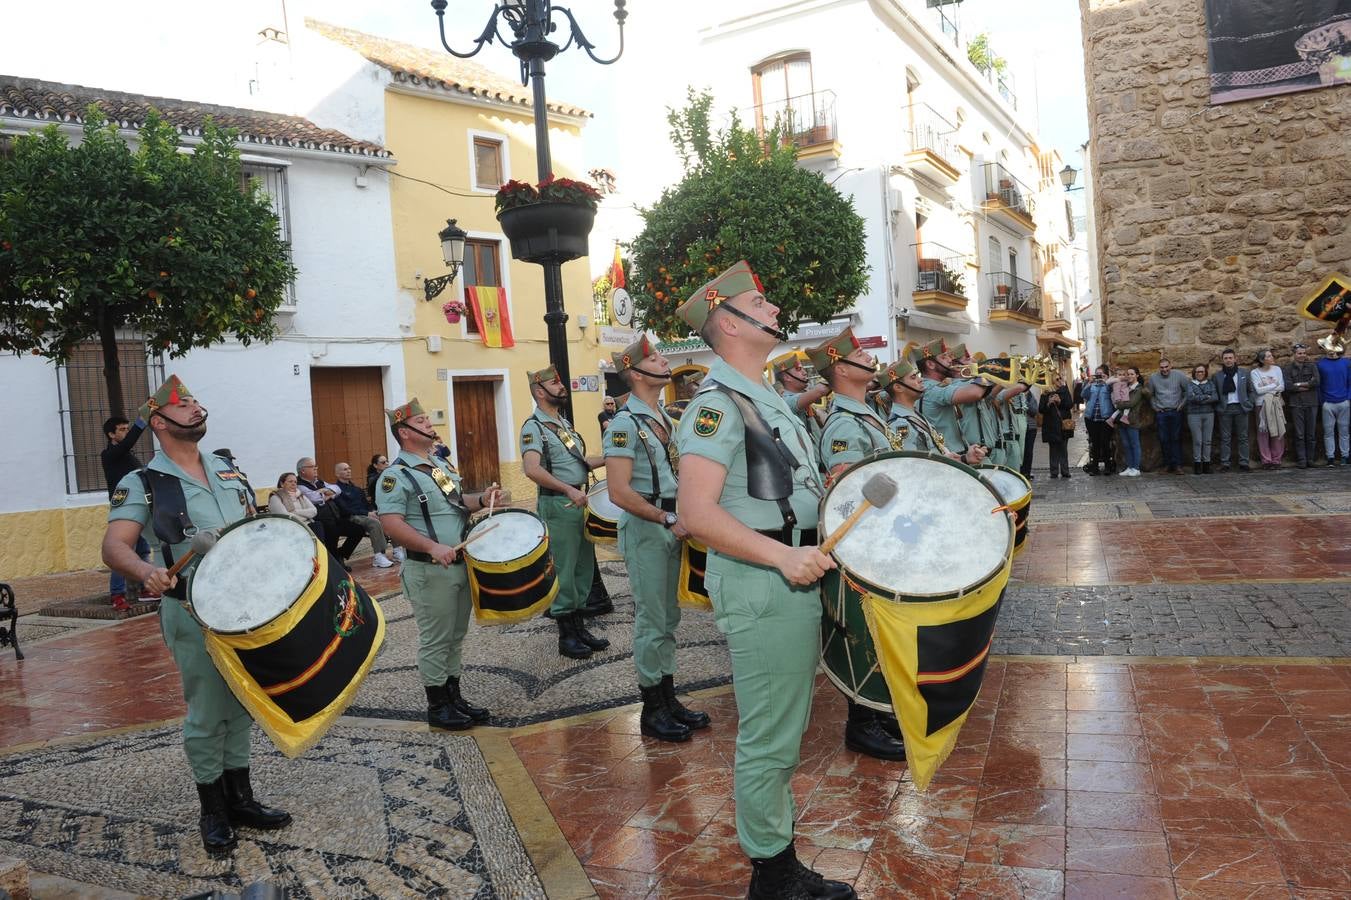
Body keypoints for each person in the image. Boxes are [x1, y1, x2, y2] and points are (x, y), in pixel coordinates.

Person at [674, 261, 856, 900]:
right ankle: (771, 876)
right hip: (764, 582)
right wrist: (781, 557)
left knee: (786, 725)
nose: (775, 308)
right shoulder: (716, 406)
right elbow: (694, 515)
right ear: (728, 322)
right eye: (761, 301)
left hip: (791, 574)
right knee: (771, 735)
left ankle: (776, 859)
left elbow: (774, 489)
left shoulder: (766, 395)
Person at [102, 375, 291, 857]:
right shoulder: (143, 482)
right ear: (159, 422)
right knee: (208, 712)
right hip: (193, 608)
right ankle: (213, 809)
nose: (195, 408)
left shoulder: (228, 469)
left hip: (248, 608)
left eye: (196, 401)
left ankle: (241, 798)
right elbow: (114, 546)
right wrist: (146, 570)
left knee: (242, 703)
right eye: (182, 405)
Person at [376, 398, 507, 730]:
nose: (429, 424)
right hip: (429, 569)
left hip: (459, 563)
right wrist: (432, 546)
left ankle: (454, 697)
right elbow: (390, 524)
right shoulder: (395, 476)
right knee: (436, 638)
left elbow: (456, 503)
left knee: (455, 635)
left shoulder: (438, 465)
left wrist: (482, 499)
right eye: (421, 421)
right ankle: (438, 706)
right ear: (404, 433)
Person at [605, 336, 709, 743]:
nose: (665, 361)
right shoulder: (623, 425)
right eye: (655, 357)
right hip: (649, 526)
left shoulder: (665, 418)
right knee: (652, 620)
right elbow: (618, 491)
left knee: (668, 618)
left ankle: (668, 696)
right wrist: (666, 516)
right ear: (635, 373)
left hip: (672, 522)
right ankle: (652, 708)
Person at [809, 329, 907, 763]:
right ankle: (861, 722)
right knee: (862, 630)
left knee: (881, 628)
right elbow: (847, 491)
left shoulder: (868, 414)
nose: (871, 357)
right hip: (864, 543)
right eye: (860, 355)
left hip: (884, 538)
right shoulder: (845, 422)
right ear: (842, 369)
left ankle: (878, 710)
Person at [520, 366, 610, 659]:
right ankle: (566, 634)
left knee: (583, 568)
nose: (562, 388)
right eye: (554, 384)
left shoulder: (562, 425)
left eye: (560, 383)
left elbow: (580, 462)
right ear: (539, 392)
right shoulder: (534, 427)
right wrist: (568, 489)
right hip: (559, 503)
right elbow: (532, 470)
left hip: (579, 501)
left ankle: (579, 626)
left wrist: (612, 458)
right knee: (564, 569)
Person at [882, 359, 987, 465]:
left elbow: (937, 458)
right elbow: (912, 468)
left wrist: (964, 458)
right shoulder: (901, 424)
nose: (920, 380)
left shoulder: (914, 416)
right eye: (913, 377)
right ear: (898, 387)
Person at [101, 414, 154, 610]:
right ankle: (117, 595)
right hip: (124, 510)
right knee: (123, 551)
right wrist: (144, 418)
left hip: (140, 507)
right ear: (111, 435)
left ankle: (145, 589)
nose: (126, 432)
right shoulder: (110, 454)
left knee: (143, 550)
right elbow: (129, 442)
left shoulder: (128, 455)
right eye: (122, 430)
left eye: (126, 428)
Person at [914, 340, 996, 457]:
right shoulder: (932, 389)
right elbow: (975, 393)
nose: (950, 360)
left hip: (954, 454)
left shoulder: (932, 386)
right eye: (944, 357)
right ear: (930, 364)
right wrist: (988, 371)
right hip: (948, 457)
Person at [296, 458, 366, 567]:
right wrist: (326, 494)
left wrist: (324, 492)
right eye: (312, 467)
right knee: (331, 537)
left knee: (359, 529)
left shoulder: (319, 481)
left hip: (335, 518)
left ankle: (341, 554)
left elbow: (337, 489)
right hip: (321, 521)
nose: (316, 469)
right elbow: (314, 498)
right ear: (302, 471)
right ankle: (336, 565)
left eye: (316, 466)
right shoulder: (300, 485)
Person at [331, 462, 394, 568]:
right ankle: (379, 555)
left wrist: (373, 512)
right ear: (337, 474)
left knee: (388, 518)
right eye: (345, 469)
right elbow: (345, 510)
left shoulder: (356, 489)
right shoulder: (336, 490)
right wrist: (367, 513)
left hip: (365, 515)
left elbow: (366, 504)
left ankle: (396, 550)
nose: (348, 471)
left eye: (349, 468)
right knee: (374, 523)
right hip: (351, 517)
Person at [1210, 348, 1255, 472]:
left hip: (1241, 408)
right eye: (1226, 358)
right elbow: (1215, 393)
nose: (1228, 360)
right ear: (1222, 360)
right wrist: (1218, 407)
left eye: (1230, 358)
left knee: (1243, 437)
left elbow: (1251, 390)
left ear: (1235, 359)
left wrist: (1250, 403)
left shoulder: (1244, 373)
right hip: (1225, 409)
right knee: (1225, 437)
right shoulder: (1217, 376)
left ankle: (1244, 463)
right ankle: (1225, 463)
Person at [1147, 358, 1188, 474]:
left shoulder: (1179, 375)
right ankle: (1167, 464)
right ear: (1159, 367)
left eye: (1166, 367)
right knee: (1164, 439)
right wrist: (1155, 407)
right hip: (1162, 413)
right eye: (1162, 367)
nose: (1164, 369)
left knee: (1176, 438)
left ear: (1171, 366)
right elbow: (1150, 395)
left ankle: (1178, 465)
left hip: (1176, 411)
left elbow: (1187, 391)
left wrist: (1182, 405)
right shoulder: (1153, 378)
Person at [1283, 344, 1321, 468]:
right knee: (1299, 434)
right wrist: (1305, 385)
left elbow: (1316, 382)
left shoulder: (1312, 366)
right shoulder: (1288, 368)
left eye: (1304, 353)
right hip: (1296, 404)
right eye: (1299, 353)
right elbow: (1288, 386)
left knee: (1311, 433)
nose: (1302, 355)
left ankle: (1310, 459)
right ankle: (1302, 460)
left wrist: (1298, 385)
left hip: (1311, 402)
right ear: (1294, 354)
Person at [1251, 349, 1287, 469]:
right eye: (1269, 356)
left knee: (1277, 430)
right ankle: (1266, 460)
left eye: (1271, 355)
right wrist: (1273, 386)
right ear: (1262, 360)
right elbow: (1258, 390)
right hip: (1261, 404)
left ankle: (1277, 459)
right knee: (1263, 431)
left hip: (1276, 403)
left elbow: (1282, 387)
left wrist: (1266, 387)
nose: (1272, 357)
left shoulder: (1277, 369)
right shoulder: (1255, 373)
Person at [1317, 341, 1350, 466]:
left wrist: (1348, 398)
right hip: (1328, 403)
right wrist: (1323, 401)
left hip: (1344, 401)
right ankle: (1330, 457)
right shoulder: (1320, 364)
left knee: (1344, 431)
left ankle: (1345, 456)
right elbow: (1319, 385)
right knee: (1328, 431)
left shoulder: (1346, 363)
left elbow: (1349, 381)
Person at [1112, 367, 1149, 476]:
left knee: (1134, 444)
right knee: (1126, 445)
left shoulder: (1139, 388)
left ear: (1137, 375)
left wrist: (1119, 404)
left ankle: (1136, 468)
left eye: (1132, 374)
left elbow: (1131, 403)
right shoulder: (1125, 386)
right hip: (1122, 420)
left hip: (1133, 420)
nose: (1129, 376)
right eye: (1128, 374)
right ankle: (1130, 466)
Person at [1185, 363, 1220, 474]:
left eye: (1202, 372)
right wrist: (1206, 396)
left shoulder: (1210, 383)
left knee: (1207, 441)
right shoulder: (1190, 384)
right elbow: (1191, 398)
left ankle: (1206, 464)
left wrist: (1198, 397)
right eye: (1197, 372)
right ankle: (1197, 464)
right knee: (1197, 441)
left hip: (1209, 414)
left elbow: (1215, 397)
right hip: (1193, 415)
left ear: (1205, 373)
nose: (1200, 373)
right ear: (1194, 373)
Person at [1082, 366, 1116, 475]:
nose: (1098, 376)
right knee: (1095, 443)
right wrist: (1089, 383)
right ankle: (1095, 467)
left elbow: (1115, 394)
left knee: (1105, 442)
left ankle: (1107, 466)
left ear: (1106, 375)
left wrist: (1107, 381)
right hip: (1091, 418)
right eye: (1097, 374)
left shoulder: (1109, 385)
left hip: (1105, 418)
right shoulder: (1092, 385)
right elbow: (1083, 395)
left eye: (1101, 374)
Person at [1040, 376, 1073, 478]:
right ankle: (1054, 472)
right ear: (1051, 381)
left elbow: (1070, 404)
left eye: (1060, 379)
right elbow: (1041, 409)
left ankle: (1065, 471)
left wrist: (1060, 402)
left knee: (1063, 449)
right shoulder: (1046, 392)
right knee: (1053, 449)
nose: (1059, 381)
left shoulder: (1064, 390)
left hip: (1063, 425)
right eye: (1057, 379)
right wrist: (1049, 403)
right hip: (1051, 425)